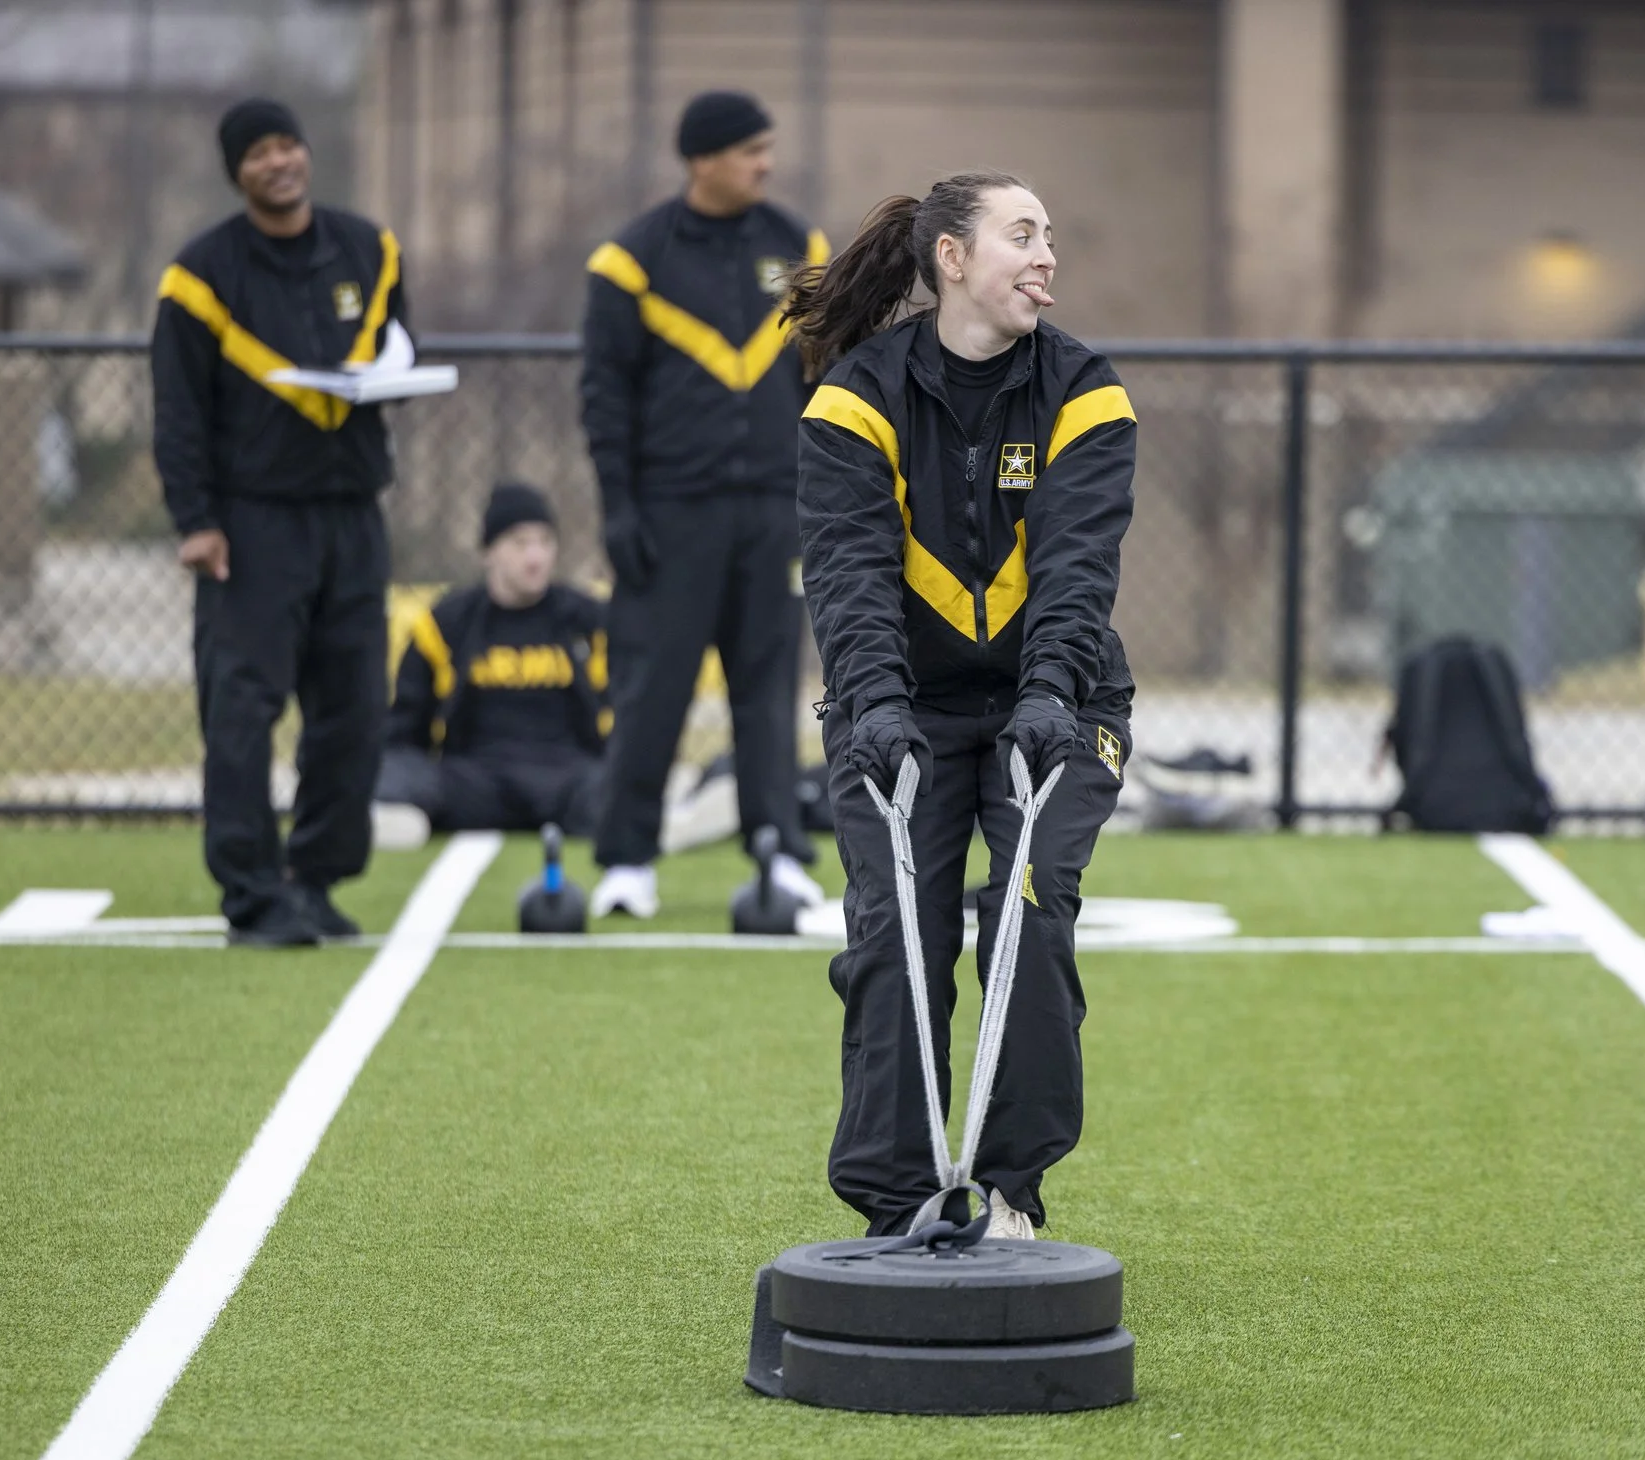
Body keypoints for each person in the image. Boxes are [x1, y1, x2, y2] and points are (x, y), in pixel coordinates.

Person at [787, 173, 1136, 1240]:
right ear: (952, 258)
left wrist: (1046, 694)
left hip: (1060, 702)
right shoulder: (855, 395)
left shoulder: (1085, 390)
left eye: (1050, 236)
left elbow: (1078, 568)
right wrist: (876, 710)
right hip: (903, 708)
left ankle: (1010, 1190)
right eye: (1021, 234)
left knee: (1026, 912)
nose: (1047, 256)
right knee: (895, 930)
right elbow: (846, 571)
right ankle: (898, 1198)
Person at [152, 97, 410, 946]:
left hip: (351, 517)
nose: (279, 162)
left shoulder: (370, 249)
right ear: (238, 171)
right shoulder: (200, 275)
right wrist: (196, 518)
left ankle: (318, 877)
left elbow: (395, 347)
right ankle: (253, 893)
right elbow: (178, 411)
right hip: (252, 524)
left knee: (353, 708)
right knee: (242, 708)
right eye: (259, 152)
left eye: (288, 145)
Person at [580, 89, 828, 920]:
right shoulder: (631, 259)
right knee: (654, 689)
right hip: (670, 514)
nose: (766, 163)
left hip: (773, 509)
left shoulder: (798, 246)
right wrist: (617, 506)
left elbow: (826, 378)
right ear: (703, 160)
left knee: (767, 687)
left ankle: (780, 851)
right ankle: (625, 861)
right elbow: (604, 396)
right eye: (751, 150)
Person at [376, 484, 610, 840]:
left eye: (545, 542)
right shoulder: (447, 623)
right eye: (519, 544)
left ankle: (676, 815)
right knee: (400, 770)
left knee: (610, 787)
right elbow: (406, 729)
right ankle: (390, 816)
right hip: (475, 780)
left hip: (568, 778)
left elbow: (621, 715)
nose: (535, 557)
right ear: (489, 552)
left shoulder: (588, 620)